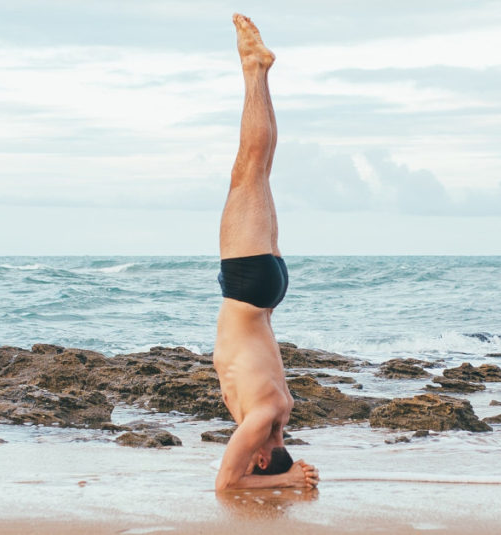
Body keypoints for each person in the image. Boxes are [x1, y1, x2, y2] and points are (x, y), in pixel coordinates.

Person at [213, 13, 320, 492]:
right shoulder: (260, 419)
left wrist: (291, 474)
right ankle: (254, 69)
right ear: (260, 458)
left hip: (268, 288)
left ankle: (259, 69)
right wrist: (291, 481)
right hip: (248, 287)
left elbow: (238, 477)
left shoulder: (281, 411)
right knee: (249, 169)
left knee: (258, 170)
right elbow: (225, 485)